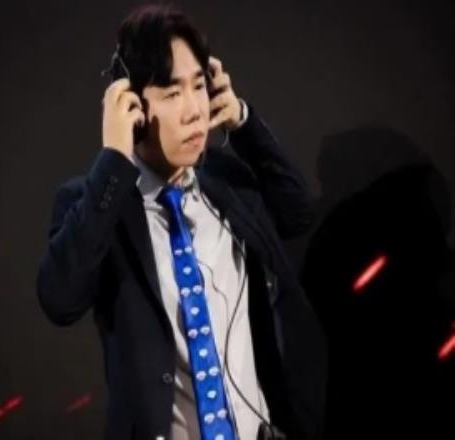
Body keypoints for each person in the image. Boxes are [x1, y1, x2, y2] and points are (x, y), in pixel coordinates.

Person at [36, 4, 326, 439]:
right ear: (132, 106)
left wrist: (243, 123)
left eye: (199, 86)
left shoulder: (227, 181)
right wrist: (113, 160)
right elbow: (59, 299)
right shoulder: (97, 203)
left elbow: (297, 213)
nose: (194, 110)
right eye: (172, 93)